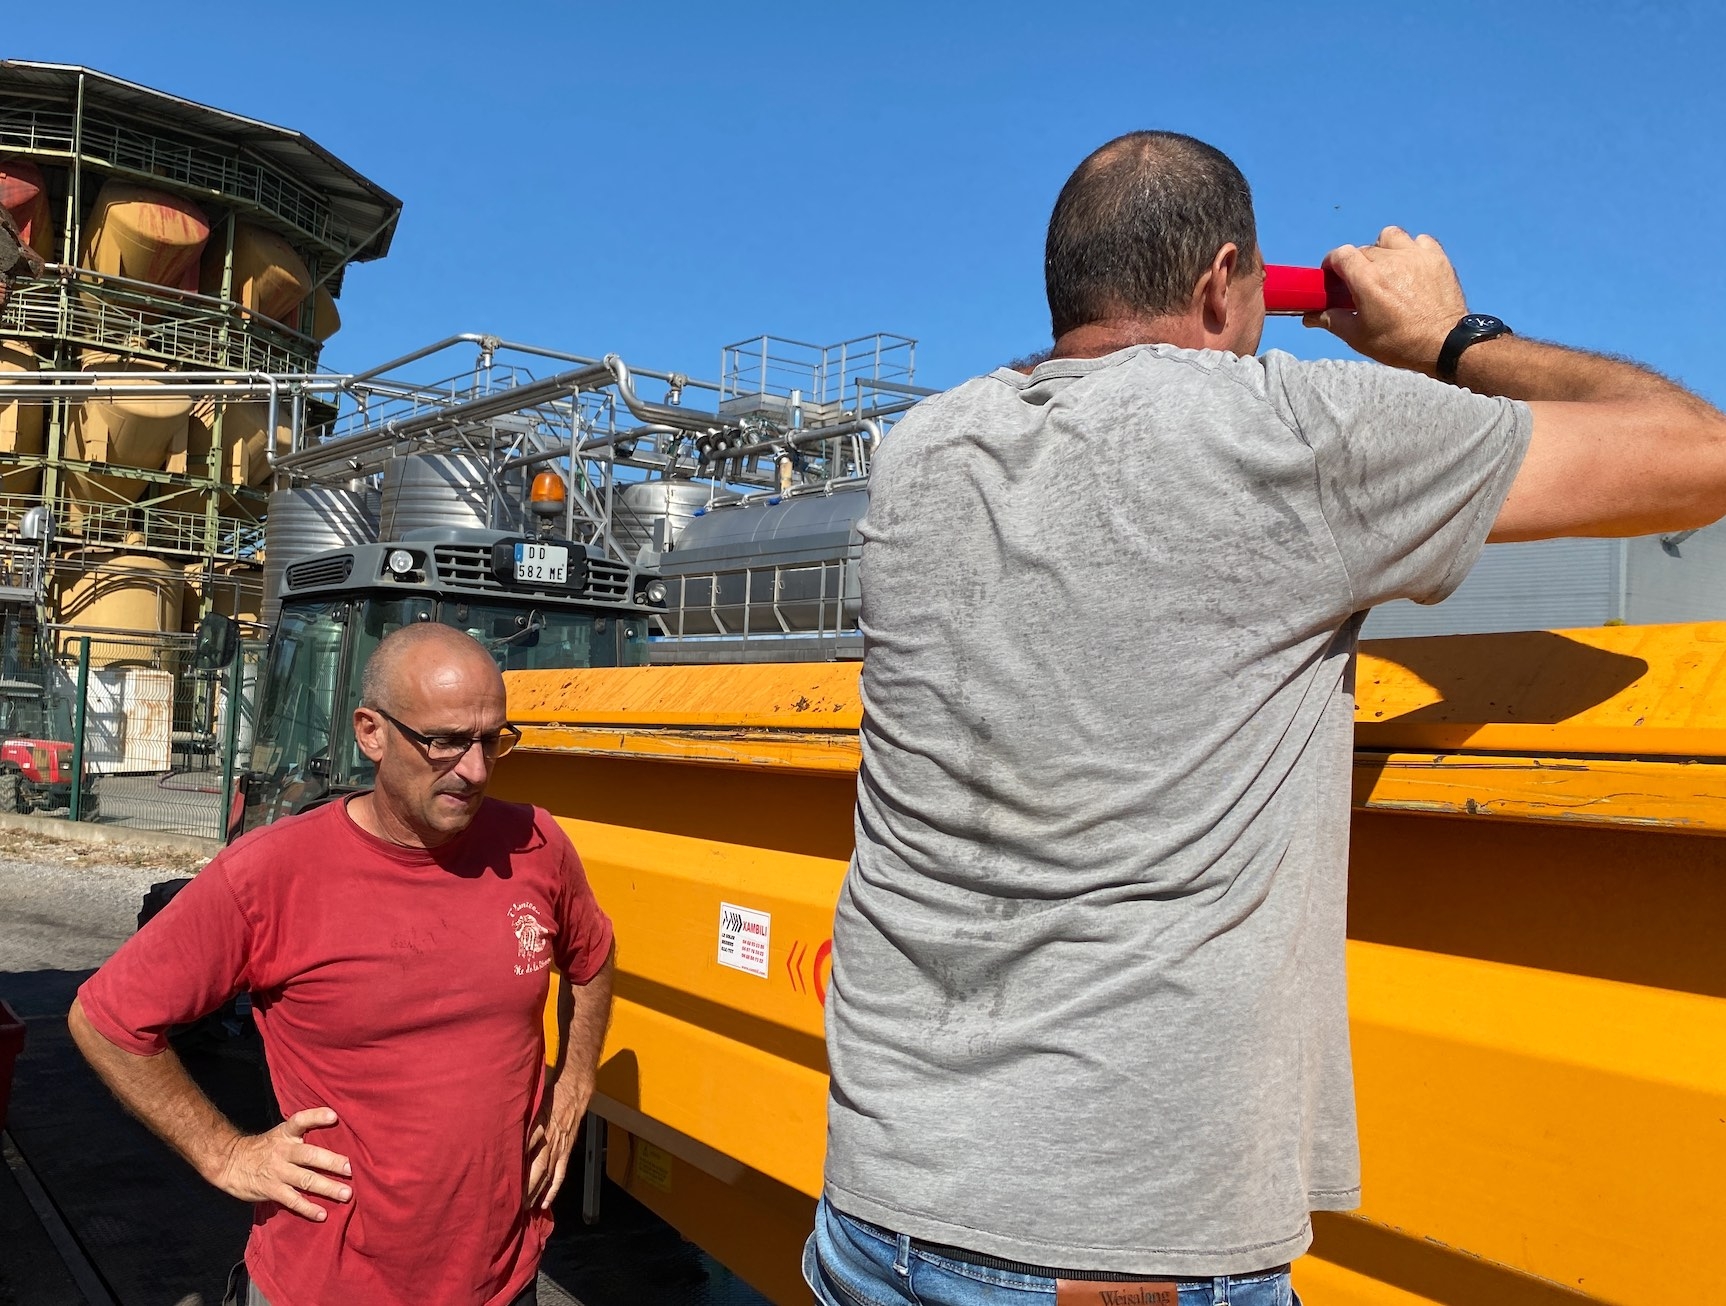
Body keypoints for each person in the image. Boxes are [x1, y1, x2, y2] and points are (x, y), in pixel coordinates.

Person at [806, 131, 1726, 1306]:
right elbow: (1695, 456)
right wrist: (1449, 338)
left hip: (879, 1198)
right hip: (1117, 1244)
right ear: (1221, 281)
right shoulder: (1288, 430)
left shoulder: (925, 448)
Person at [69, 623, 615, 1306]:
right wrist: (227, 1153)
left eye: (491, 740)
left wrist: (573, 1089)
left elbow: (593, 956)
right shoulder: (272, 874)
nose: (474, 769)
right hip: (328, 1284)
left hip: (503, 1280)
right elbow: (106, 1019)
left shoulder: (536, 843)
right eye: (445, 741)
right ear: (371, 733)